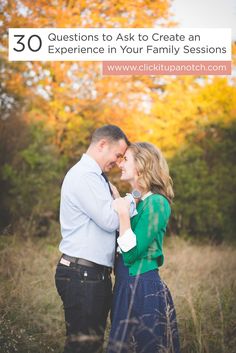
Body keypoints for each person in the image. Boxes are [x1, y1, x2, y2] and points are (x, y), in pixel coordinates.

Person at [55, 125, 130, 353]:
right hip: (83, 275)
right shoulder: (84, 175)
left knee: (90, 345)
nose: (118, 162)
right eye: (118, 155)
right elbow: (109, 220)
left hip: (89, 275)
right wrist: (131, 202)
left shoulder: (96, 177)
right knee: (83, 348)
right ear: (102, 145)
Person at [107, 142, 180, 353]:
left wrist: (122, 214)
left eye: (126, 159)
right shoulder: (137, 201)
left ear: (142, 164)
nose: (120, 164)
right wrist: (119, 202)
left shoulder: (157, 203)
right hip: (124, 286)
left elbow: (131, 254)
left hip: (142, 287)